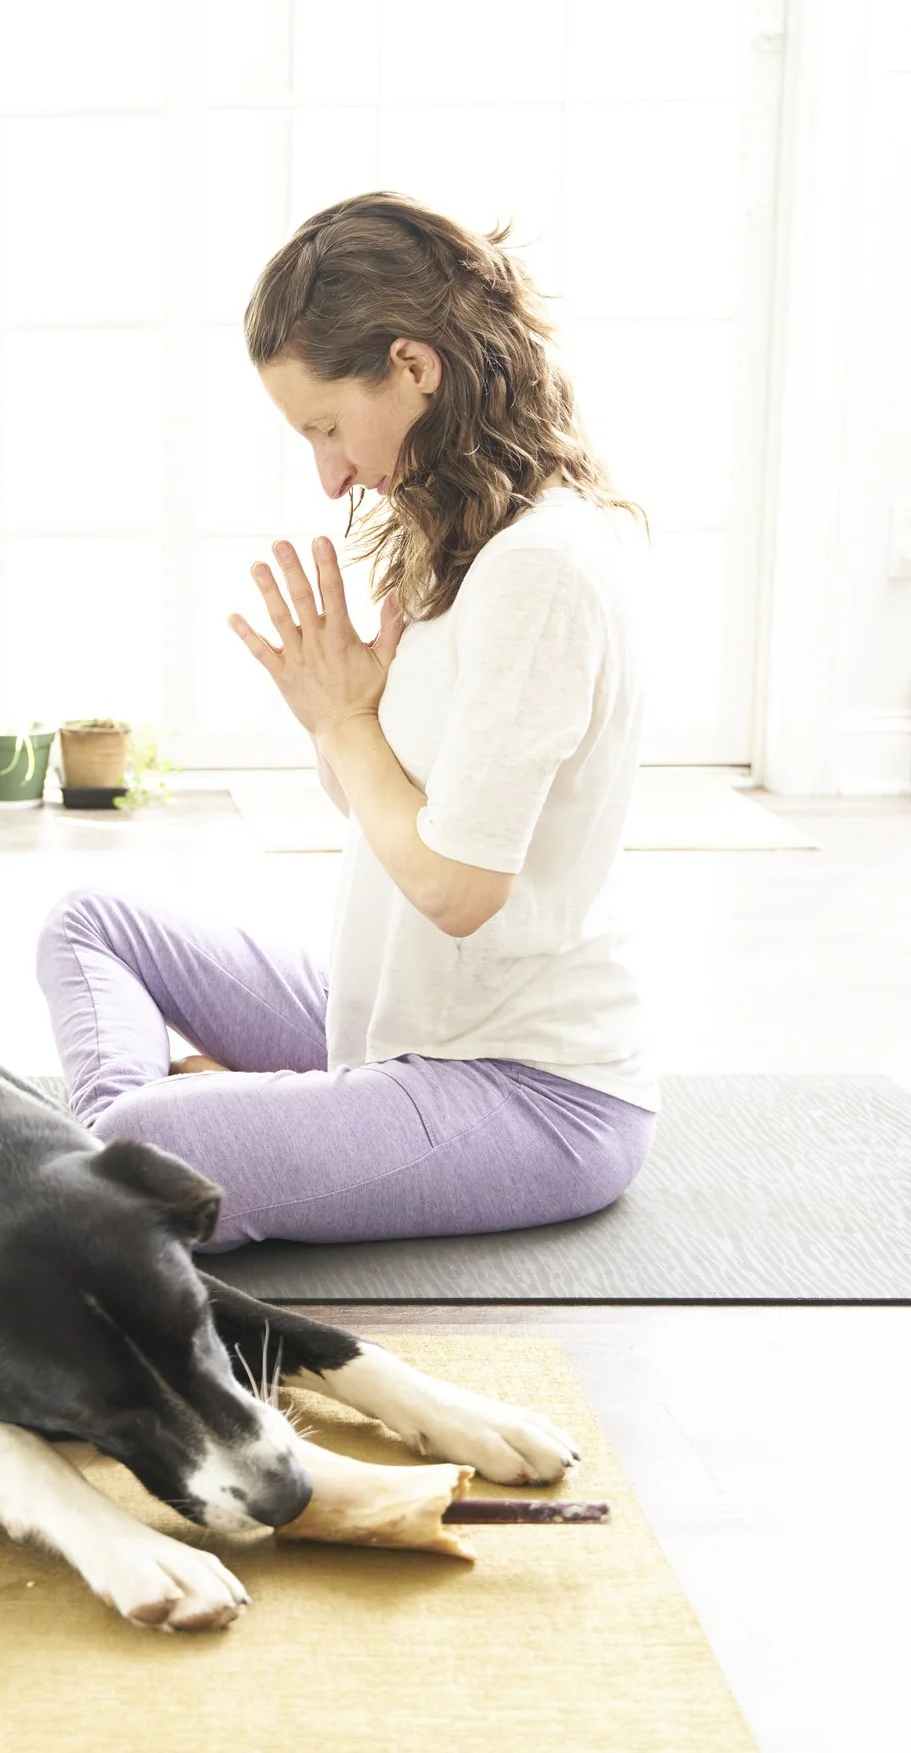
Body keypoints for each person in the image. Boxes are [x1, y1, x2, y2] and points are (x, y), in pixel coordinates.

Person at [37, 192, 657, 1254]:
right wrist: (346, 722)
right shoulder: (469, 537)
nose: (330, 475)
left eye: (327, 426)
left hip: (528, 1089)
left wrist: (350, 726)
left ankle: (125, 1170)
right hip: (394, 1023)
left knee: (139, 1130)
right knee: (89, 922)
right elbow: (386, 807)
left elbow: (459, 887)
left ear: (413, 366)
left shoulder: (539, 569)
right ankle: (129, 1179)